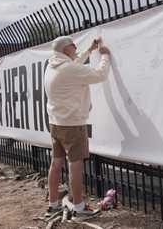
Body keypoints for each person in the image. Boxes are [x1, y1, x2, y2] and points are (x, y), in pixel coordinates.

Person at [44, 35, 111, 220]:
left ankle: (53, 204)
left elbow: (74, 64)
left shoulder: (51, 65)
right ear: (66, 49)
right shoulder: (70, 68)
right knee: (75, 165)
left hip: (56, 123)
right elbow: (100, 75)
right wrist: (105, 56)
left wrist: (89, 50)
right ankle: (80, 208)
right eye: (73, 45)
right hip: (72, 124)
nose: (75, 47)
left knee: (56, 163)